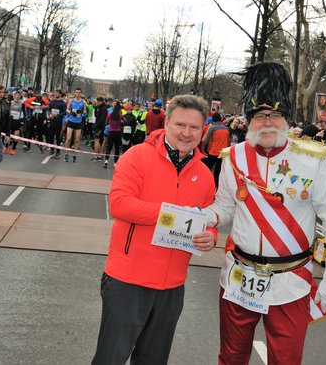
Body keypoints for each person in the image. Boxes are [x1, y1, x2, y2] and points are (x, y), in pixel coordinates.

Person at [204, 62, 326, 365]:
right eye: (259, 115)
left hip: (290, 281)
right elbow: (225, 206)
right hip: (239, 277)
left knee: (286, 361)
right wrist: (200, 218)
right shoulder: (234, 157)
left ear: (286, 119)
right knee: (231, 358)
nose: (267, 122)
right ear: (249, 119)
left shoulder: (312, 159)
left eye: (275, 115)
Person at [92, 95, 217, 365]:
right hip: (128, 280)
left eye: (194, 127)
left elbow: (206, 220)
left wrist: (210, 237)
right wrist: (170, 215)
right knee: (110, 359)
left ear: (202, 130)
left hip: (172, 286)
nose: (186, 133)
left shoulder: (206, 176)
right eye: (180, 125)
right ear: (166, 123)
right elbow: (119, 204)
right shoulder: (137, 156)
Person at [201, 112, 231, 186]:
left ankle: (205, 184)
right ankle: (216, 186)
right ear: (220, 119)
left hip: (213, 152)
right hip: (222, 154)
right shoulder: (226, 128)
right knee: (218, 172)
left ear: (213, 119)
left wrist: (205, 150)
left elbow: (207, 140)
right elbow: (228, 142)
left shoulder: (212, 128)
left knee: (207, 169)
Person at [64, 87, 86, 162]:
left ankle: (74, 155)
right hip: (71, 121)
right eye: (76, 92)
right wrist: (70, 112)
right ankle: (66, 154)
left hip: (78, 123)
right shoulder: (71, 100)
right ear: (75, 93)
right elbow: (67, 109)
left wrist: (81, 112)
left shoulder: (83, 101)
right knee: (68, 138)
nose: (78, 94)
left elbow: (85, 112)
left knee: (77, 139)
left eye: (79, 92)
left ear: (81, 93)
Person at [47, 89, 67, 159]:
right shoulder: (52, 101)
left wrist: (57, 115)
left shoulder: (63, 103)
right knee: (51, 136)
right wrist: (50, 115)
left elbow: (65, 112)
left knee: (58, 136)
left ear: (60, 94)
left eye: (57, 93)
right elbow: (49, 110)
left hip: (58, 121)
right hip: (52, 120)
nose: (55, 94)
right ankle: (52, 150)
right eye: (55, 93)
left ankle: (58, 151)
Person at [103, 101, 123, 169]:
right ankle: (115, 163)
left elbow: (106, 122)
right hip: (118, 132)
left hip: (111, 132)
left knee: (109, 147)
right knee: (117, 148)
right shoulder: (120, 116)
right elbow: (124, 121)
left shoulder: (109, 114)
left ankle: (106, 160)